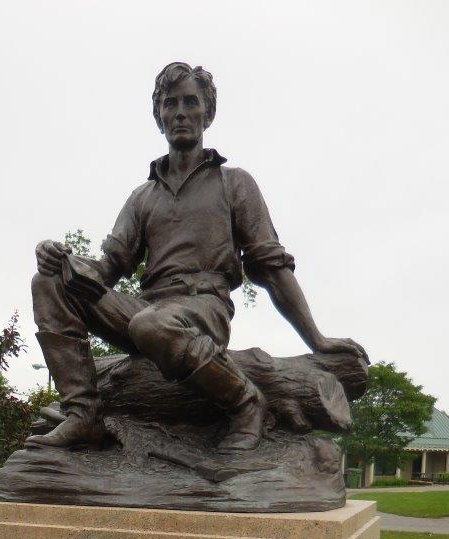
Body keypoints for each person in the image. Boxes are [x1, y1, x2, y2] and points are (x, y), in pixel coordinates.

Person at [30, 61, 367, 451]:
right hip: (147, 311)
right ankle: (83, 415)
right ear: (158, 116)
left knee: (150, 325)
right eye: (170, 104)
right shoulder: (143, 196)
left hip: (203, 307)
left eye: (191, 102)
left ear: (208, 112)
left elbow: (271, 268)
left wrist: (317, 339)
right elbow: (107, 270)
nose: (180, 113)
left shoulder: (234, 183)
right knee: (48, 282)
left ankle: (246, 401)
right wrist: (61, 260)